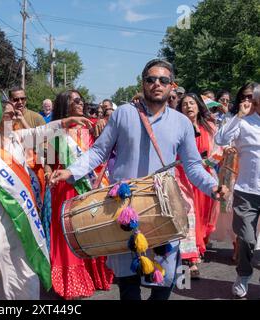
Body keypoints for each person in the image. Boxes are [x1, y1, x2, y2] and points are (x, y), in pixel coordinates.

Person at [50, 59, 227, 300]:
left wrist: (212, 187)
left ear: (171, 86)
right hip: (124, 208)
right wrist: (71, 172)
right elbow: (99, 151)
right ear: (143, 83)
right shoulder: (124, 114)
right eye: (151, 79)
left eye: (163, 80)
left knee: (164, 283)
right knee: (128, 284)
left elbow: (193, 166)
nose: (157, 84)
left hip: (163, 209)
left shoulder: (182, 123)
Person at [0, 101, 91, 300]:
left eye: (14, 114)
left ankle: (24, 295)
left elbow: (43, 130)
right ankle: (1, 295)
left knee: (22, 253)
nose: (13, 118)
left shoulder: (18, 138)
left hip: (21, 208)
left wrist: (67, 120)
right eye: (7, 115)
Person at [48, 90, 113, 299]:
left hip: (90, 185)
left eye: (81, 100)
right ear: (64, 105)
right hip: (65, 188)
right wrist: (49, 174)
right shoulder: (54, 131)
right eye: (75, 100)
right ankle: (72, 281)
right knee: (70, 233)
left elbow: (101, 156)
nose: (80, 103)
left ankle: (94, 276)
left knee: (91, 231)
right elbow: (48, 162)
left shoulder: (91, 128)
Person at [215, 82, 260, 298]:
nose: (249, 101)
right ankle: (243, 274)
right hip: (247, 191)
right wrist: (239, 117)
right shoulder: (242, 123)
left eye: (253, 97)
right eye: (247, 97)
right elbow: (221, 139)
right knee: (248, 239)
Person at [176, 93, 221, 276]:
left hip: (205, 178)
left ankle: (198, 248)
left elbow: (219, 150)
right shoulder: (177, 128)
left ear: (198, 106)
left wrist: (206, 164)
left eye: (192, 103)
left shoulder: (209, 127)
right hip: (183, 178)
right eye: (185, 104)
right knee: (189, 217)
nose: (188, 106)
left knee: (203, 218)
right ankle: (191, 258)